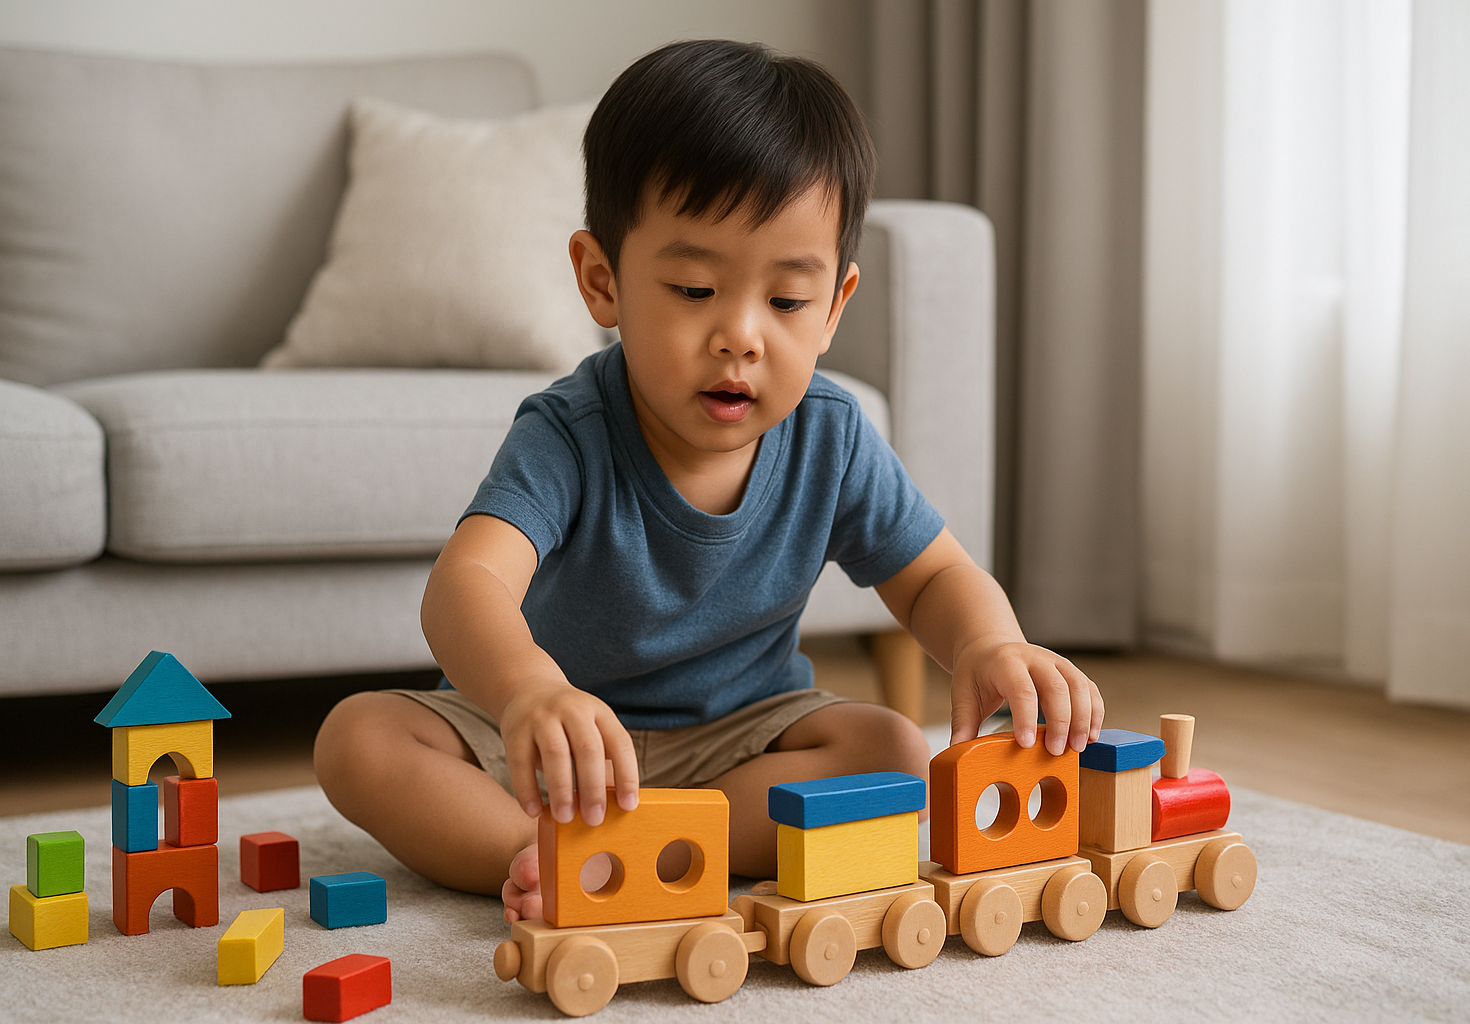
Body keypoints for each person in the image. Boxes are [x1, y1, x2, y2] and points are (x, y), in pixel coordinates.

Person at [313, 38, 1103, 925]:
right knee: (360, 738)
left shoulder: (831, 437)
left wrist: (990, 645)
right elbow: (467, 582)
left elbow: (932, 576)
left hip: (740, 738)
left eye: (787, 302)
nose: (740, 335)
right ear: (601, 281)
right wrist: (530, 691)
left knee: (890, 750)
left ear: (836, 306)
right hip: (552, 748)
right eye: (693, 289)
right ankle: (533, 854)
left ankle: (656, 850)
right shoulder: (569, 432)